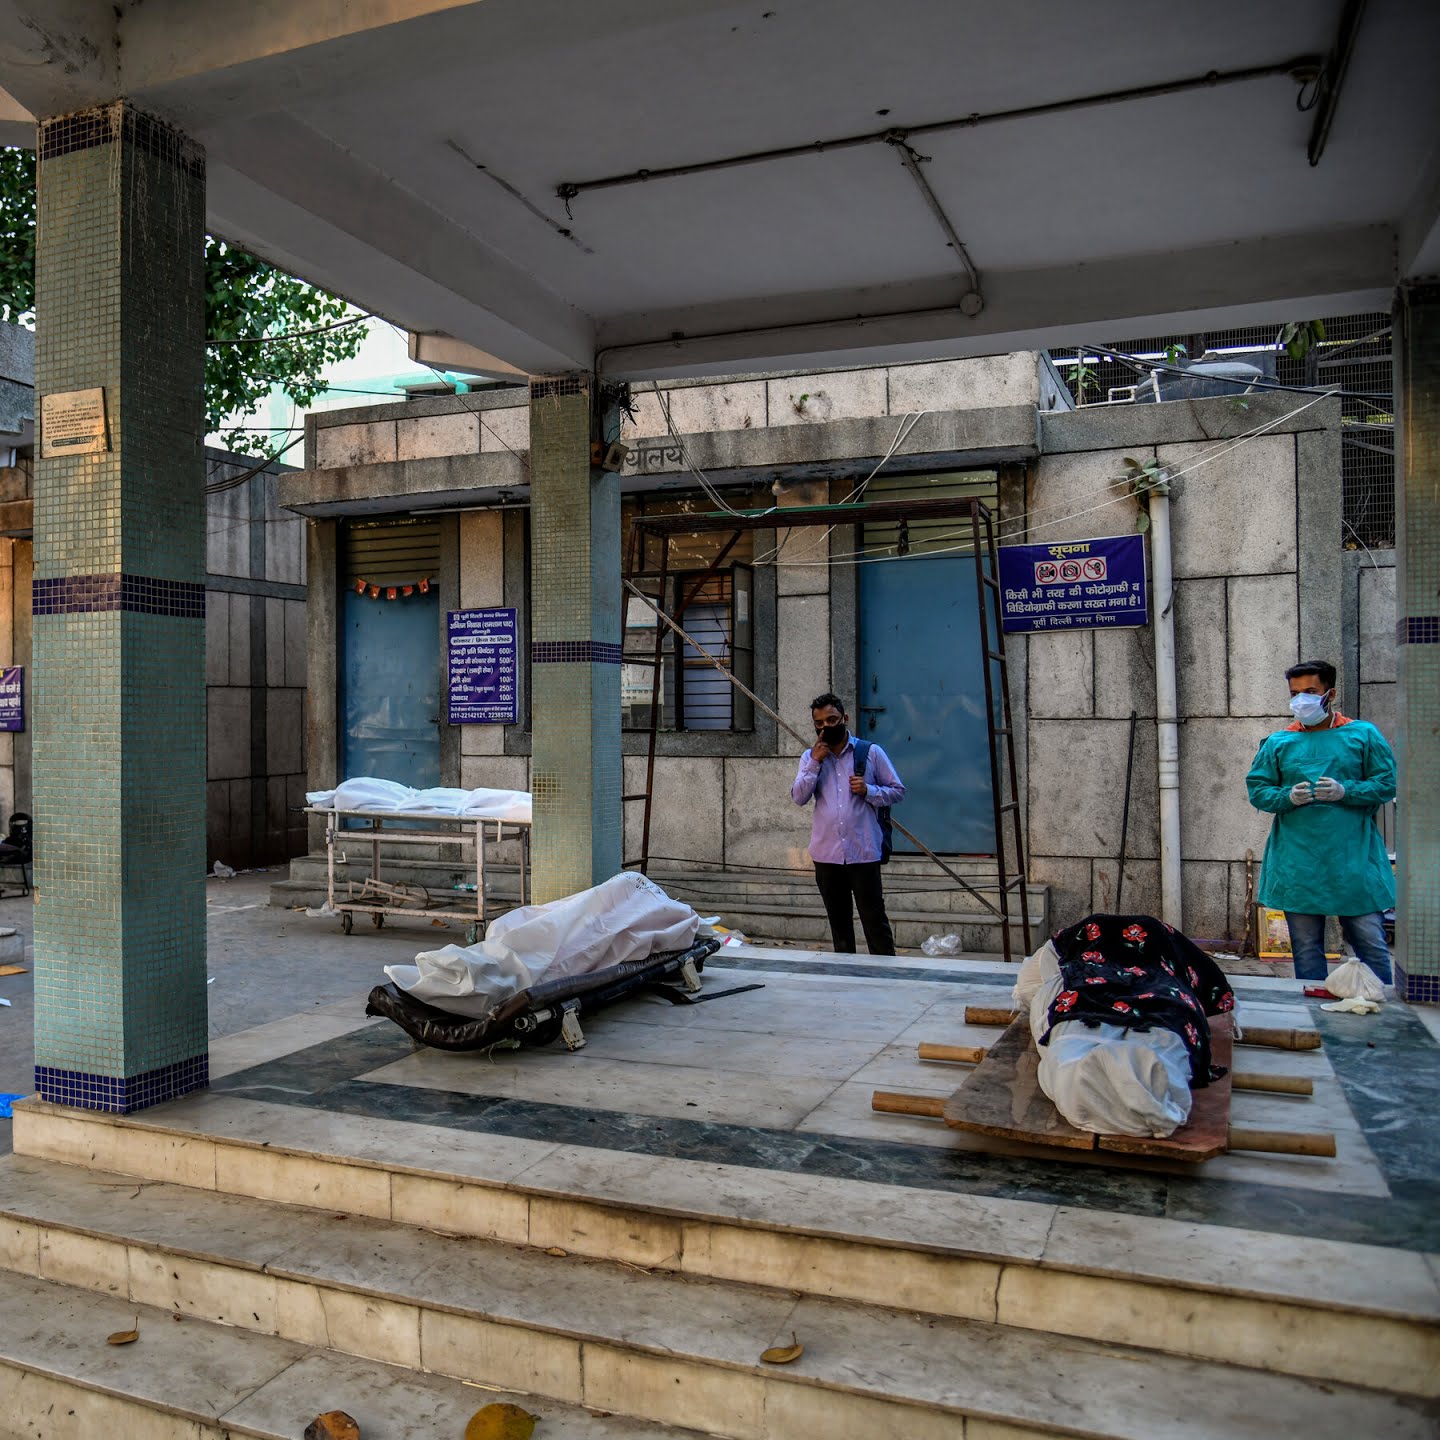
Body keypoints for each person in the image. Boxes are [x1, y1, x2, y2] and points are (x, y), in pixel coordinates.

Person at [1245, 660, 1396, 985]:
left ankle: (1384, 1013)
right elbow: (1258, 790)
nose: (1302, 700)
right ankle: (1313, 1016)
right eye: (1295, 693)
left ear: (1330, 694)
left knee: (1371, 945)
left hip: (1353, 860)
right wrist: (1287, 797)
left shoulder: (1362, 735)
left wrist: (1347, 790)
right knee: (1306, 950)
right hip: (1300, 862)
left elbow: (1387, 783)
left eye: (1310, 692)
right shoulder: (1279, 743)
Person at [791, 692, 904, 955]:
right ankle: (846, 979)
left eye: (832, 720)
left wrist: (870, 790)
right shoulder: (810, 758)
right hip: (827, 854)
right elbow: (799, 797)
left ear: (845, 718)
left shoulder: (870, 752)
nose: (826, 727)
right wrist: (815, 763)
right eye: (819, 723)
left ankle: (887, 977)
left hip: (863, 851)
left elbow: (898, 790)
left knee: (874, 921)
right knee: (839, 925)